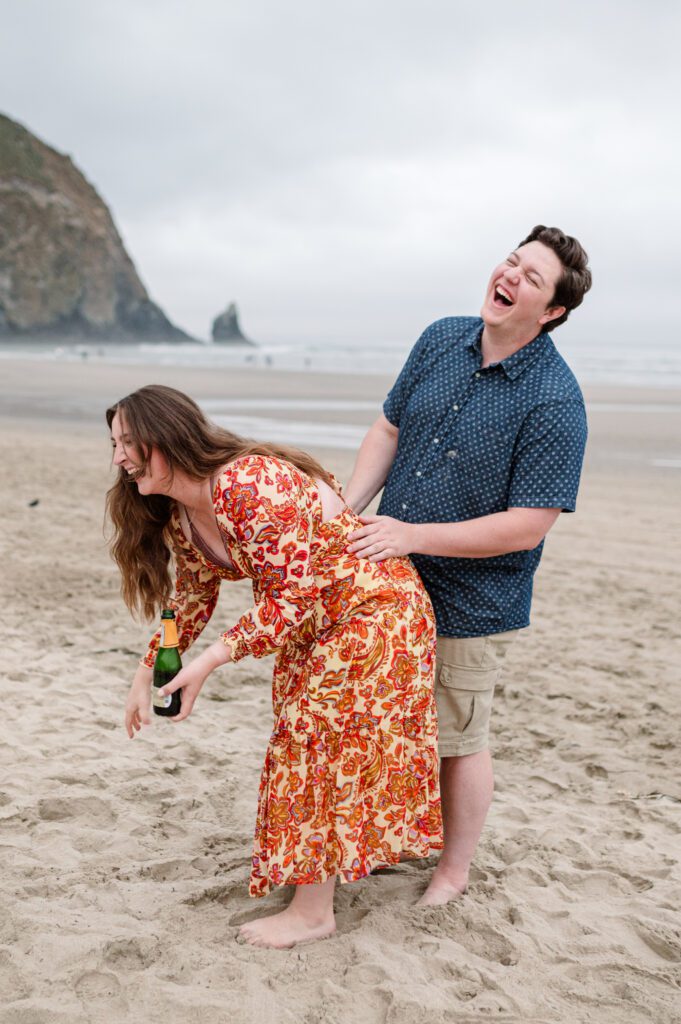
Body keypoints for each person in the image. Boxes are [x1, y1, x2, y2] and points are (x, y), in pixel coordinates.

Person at [106, 385, 442, 948]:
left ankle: (313, 913)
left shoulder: (248, 482)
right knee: (316, 743)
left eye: (128, 442)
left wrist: (211, 661)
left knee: (311, 741)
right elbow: (192, 596)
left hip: (374, 610)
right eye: (114, 443)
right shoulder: (182, 515)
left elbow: (292, 595)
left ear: (167, 438)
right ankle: (332, 873)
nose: (118, 456)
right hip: (313, 624)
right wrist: (147, 671)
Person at [344, 225, 591, 906]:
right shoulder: (440, 338)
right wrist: (347, 508)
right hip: (385, 569)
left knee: (457, 737)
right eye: (511, 262)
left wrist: (411, 535)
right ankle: (374, 840)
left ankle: (452, 871)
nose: (509, 275)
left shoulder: (554, 400)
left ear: (550, 314)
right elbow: (389, 427)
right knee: (375, 717)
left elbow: (527, 525)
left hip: (472, 598)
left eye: (531, 278)